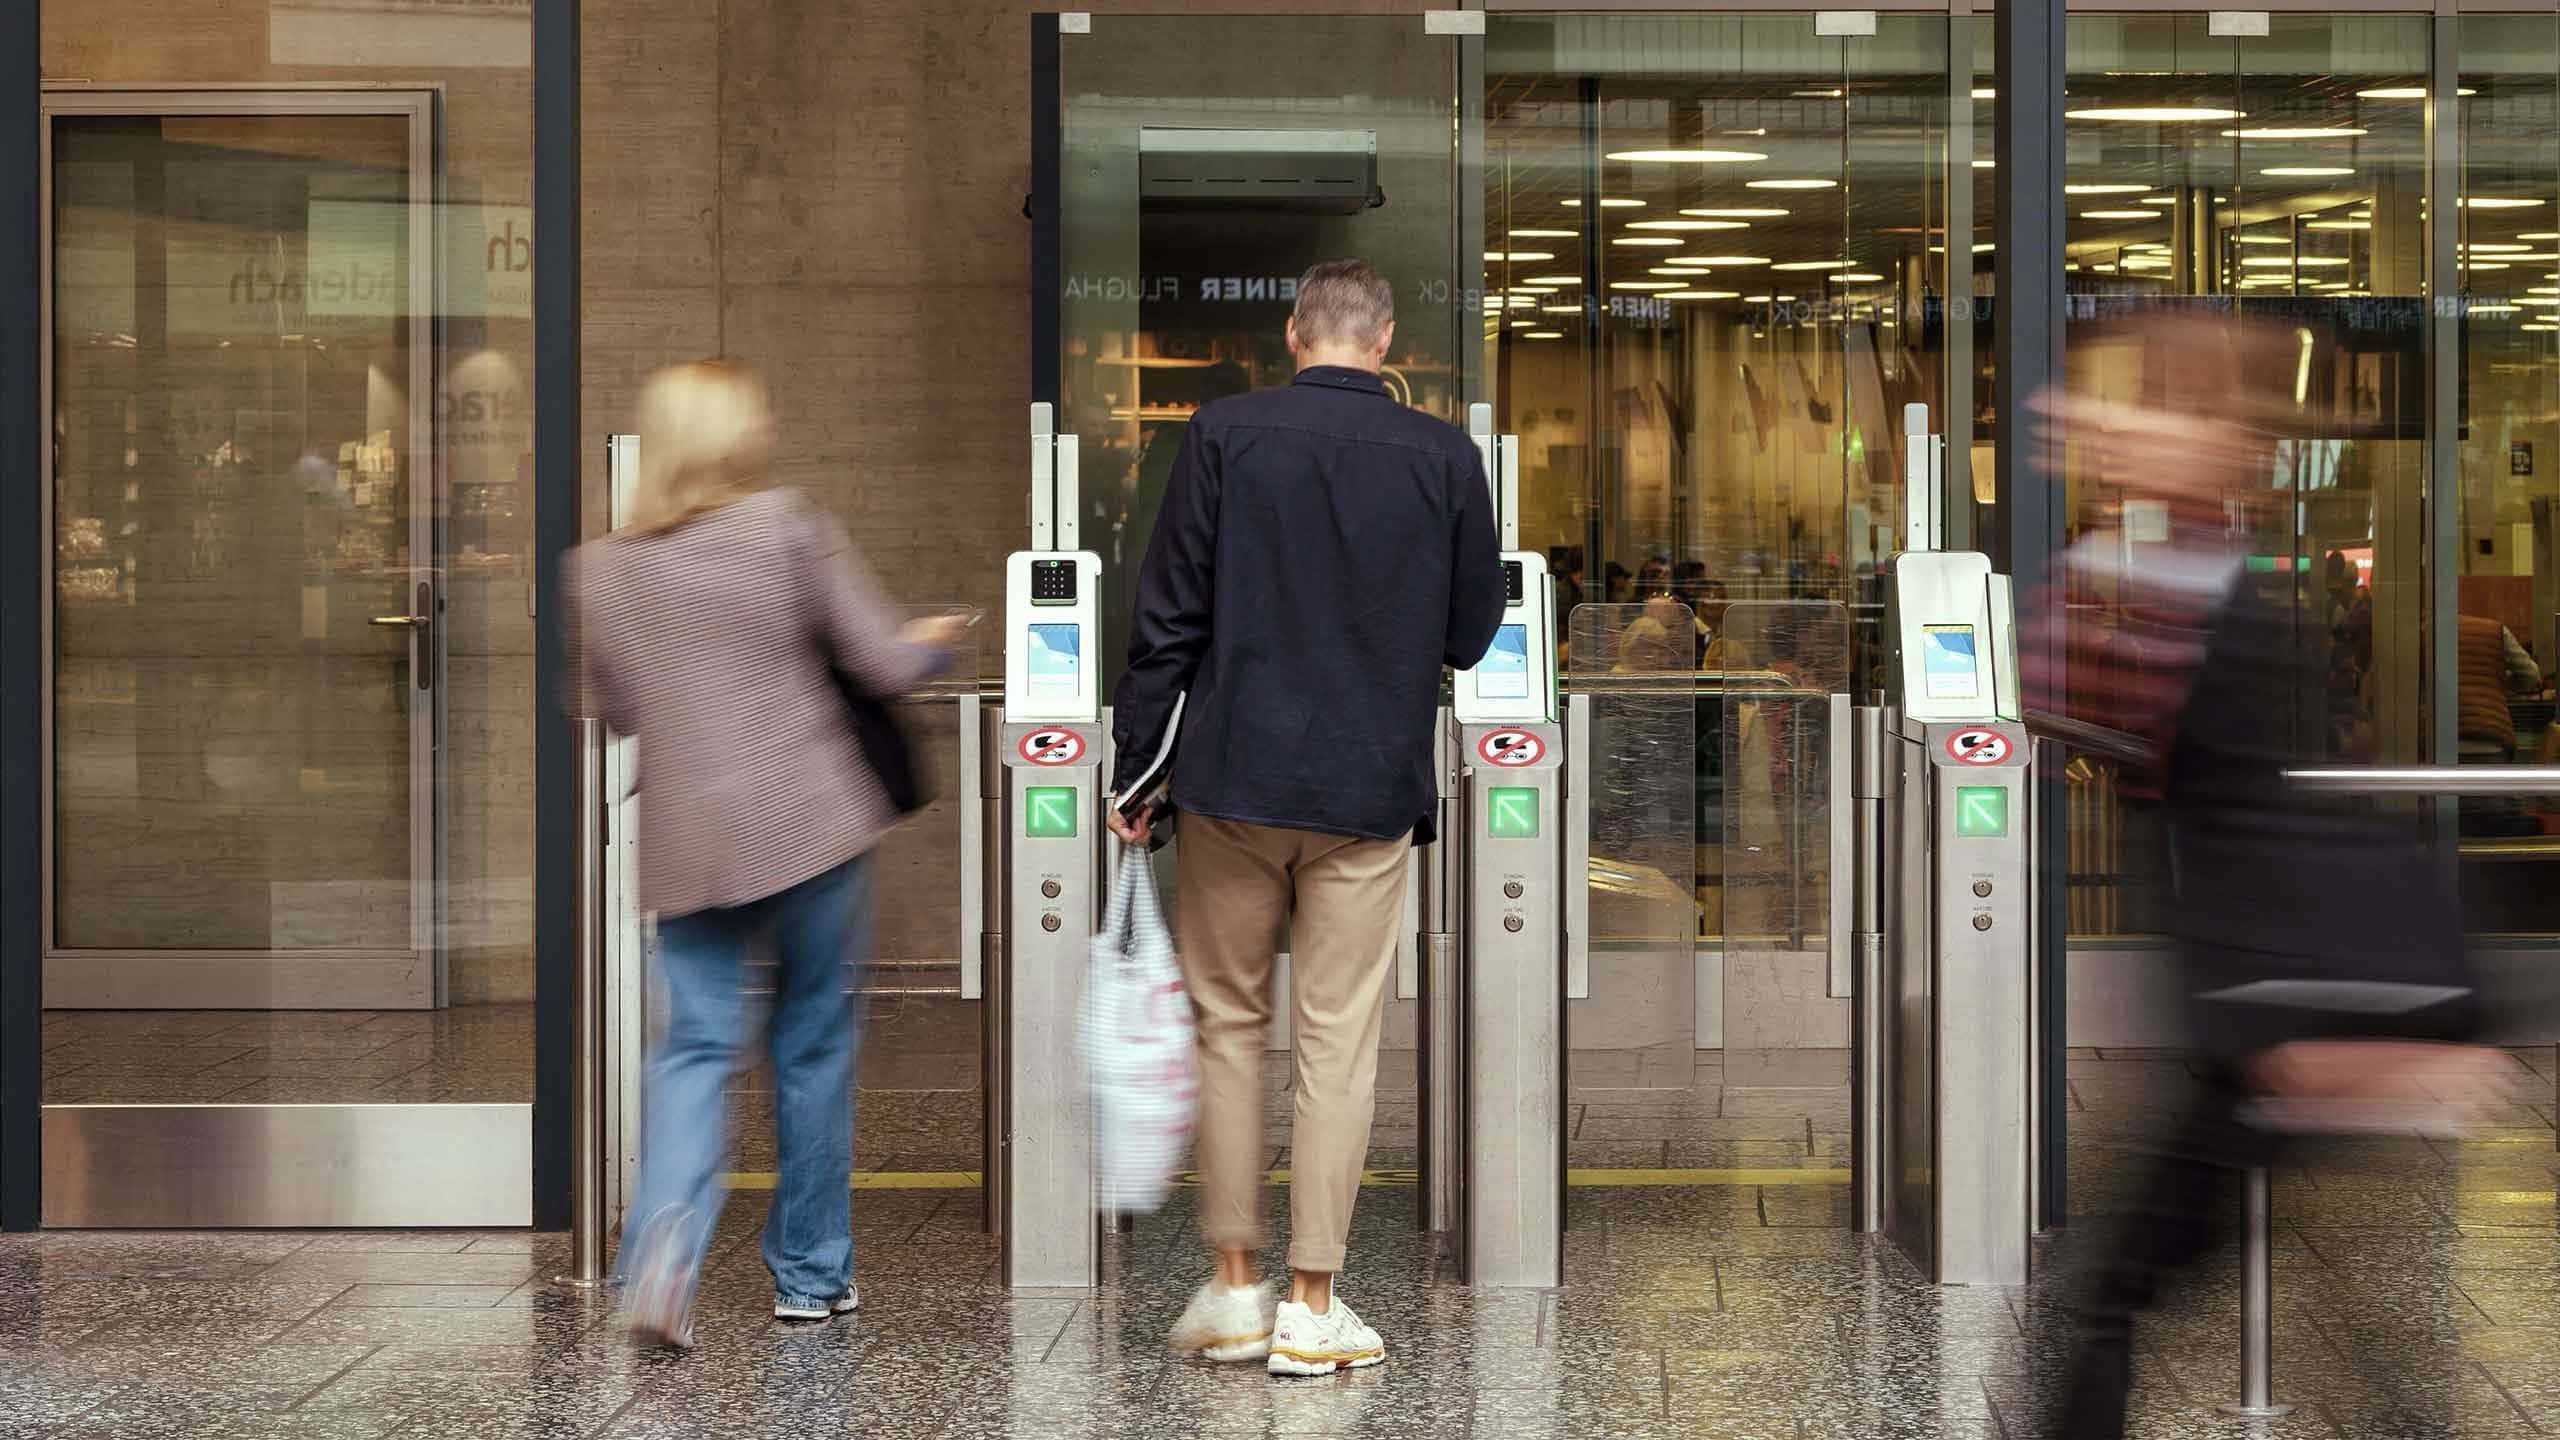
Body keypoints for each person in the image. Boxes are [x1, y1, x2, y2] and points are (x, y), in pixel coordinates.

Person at [2025, 316, 2503, 1437]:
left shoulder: (2195, 587)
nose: (2113, 422)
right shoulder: (2204, 570)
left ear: (2217, 437)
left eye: (2153, 407)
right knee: (2326, 1303)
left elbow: (2062, 689)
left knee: (2115, 1299)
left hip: (2278, 996)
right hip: (2290, 990)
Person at [1107, 258, 1504, 1378]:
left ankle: (1234, 1288)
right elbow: (1474, 632)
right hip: (1365, 789)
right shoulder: (1441, 454)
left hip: (1229, 782)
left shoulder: (1222, 435)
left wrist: (1139, 777)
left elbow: (1166, 617)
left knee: (1227, 1026)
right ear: (1384, 342)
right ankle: (1313, 1304)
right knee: (1336, 1039)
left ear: (1293, 334)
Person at [566, 361, 967, 1349]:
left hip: (689, 844)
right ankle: (810, 1275)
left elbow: (606, 703)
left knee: (695, 1050)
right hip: (808, 826)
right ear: (738, 437)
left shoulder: (599, 567)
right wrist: (936, 638)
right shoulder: (788, 524)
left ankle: (662, 1254)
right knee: (812, 1046)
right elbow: (881, 660)